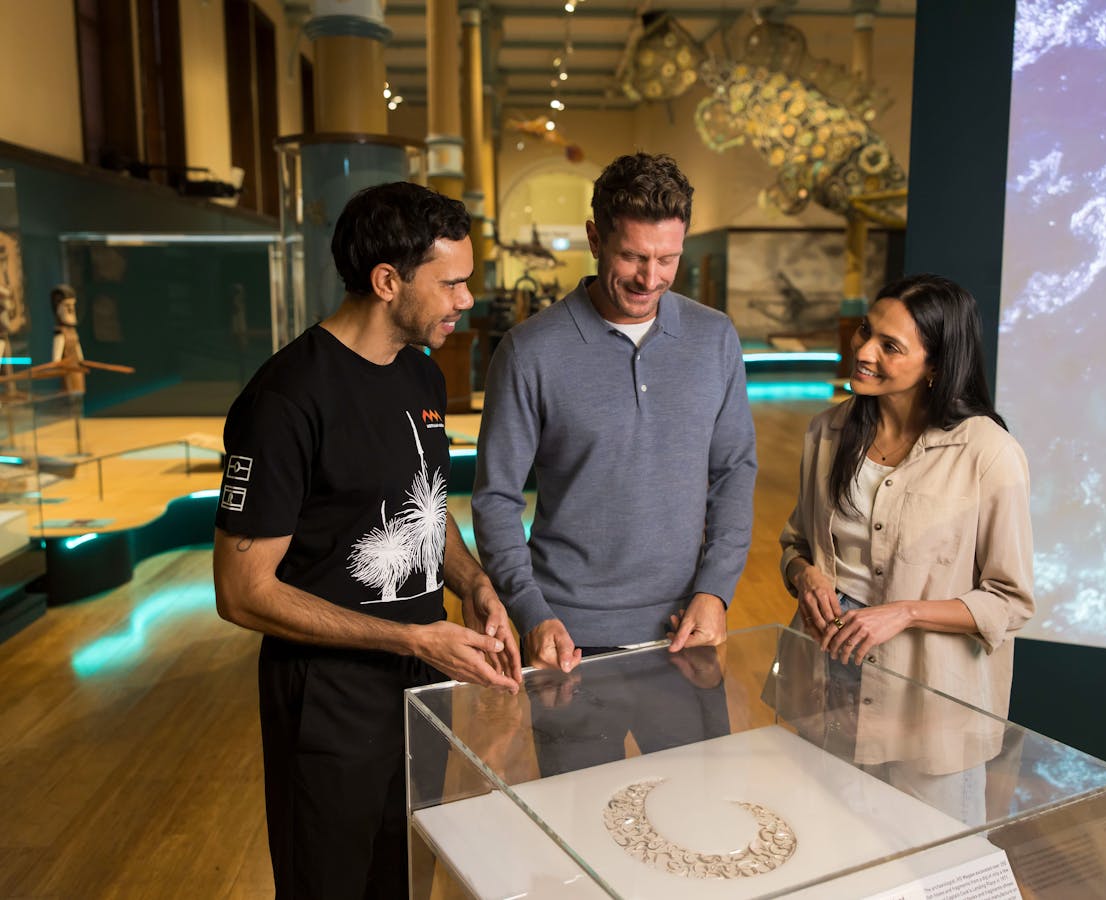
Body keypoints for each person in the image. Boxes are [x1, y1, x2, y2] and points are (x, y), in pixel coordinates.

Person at [212, 181, 522, 900]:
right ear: (387, 281)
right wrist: (414, 639)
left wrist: (474, 586)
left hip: (418, 690)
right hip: (328, 702)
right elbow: (241, 593)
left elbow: (423, 506)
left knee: (402, 878)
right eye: (451, 283)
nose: (466, 299)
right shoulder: (284, 400)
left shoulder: (421, 373)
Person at [472, 151, 757, 672]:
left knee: (693, 760)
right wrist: (531, 612)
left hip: (684, 627)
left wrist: (716, 590)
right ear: (595, 238)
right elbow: (495, 499)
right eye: (632, 256)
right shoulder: (527, 351)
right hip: (566, 634)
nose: (650, 278)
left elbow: (733, 472)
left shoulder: (715, 337)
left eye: (668, 258)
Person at [778, 273, 1034, 817]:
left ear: (936, 366)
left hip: (928, 708)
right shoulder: (824, 432)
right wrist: (806, 575)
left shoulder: (989, 453)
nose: (863, 351)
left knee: (932, 870)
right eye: (866, 332)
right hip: (825, 683)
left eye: (889, 346)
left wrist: (903, 613)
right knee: (826, 852)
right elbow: (795, 543)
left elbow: (1010, 601)